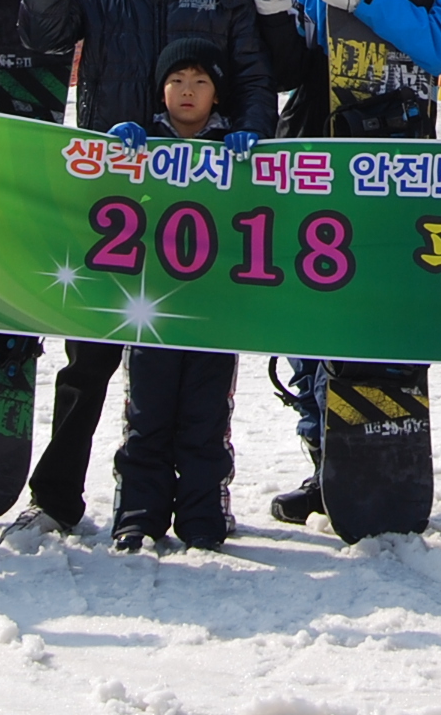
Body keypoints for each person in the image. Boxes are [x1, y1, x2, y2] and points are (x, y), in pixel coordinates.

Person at [17, 0, 272, 536]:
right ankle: (56, 497)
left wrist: (249, 134)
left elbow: (252, 77)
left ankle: (201, 500)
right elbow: (41, 33)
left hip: (200, 206)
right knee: (90, 354)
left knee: (199, 357)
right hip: (114, 201)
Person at [248, 0, 441, 528]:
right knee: (310, 310)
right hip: (315, 150)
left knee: (382, 307)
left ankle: (382, 449)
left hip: (392, 161)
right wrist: (272, 6)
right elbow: (288, 70)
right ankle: (325, 462)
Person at [110, 34, 248, 552]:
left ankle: (202, 513)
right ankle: (138, 513)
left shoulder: (238, 147)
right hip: (152, 307)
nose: (188, 91)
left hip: (216, 308)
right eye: (176, 81)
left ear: (217, 92)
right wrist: (115, 152)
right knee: (146, 414)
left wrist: (252, 151)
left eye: (200, 81)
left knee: (206, 416)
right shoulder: (139, 144)